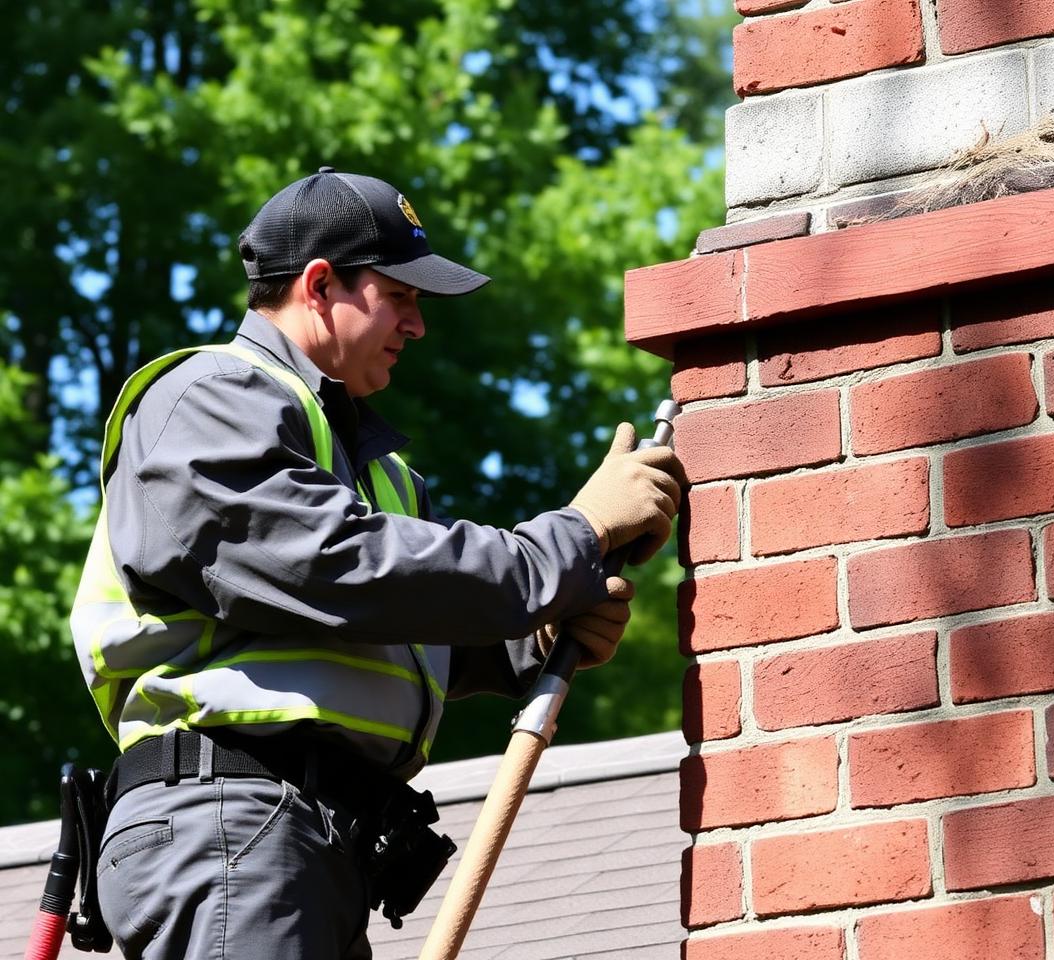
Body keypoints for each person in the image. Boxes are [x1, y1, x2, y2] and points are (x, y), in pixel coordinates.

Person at [69, 166, 685, 960]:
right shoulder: (210, 399)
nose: (417, 326)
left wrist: (532, 642)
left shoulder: (377, 468)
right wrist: (569, 539)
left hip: (295, 837)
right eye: (400, 296)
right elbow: (332, 566)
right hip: (232, 820)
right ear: (321, 285)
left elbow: (387, 624)